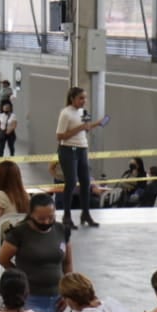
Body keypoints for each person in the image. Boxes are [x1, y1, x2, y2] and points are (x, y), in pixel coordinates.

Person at [0, 193, 71, 312]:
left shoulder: (62, 230)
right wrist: (20, 277)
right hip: (29, 298)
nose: (46, 222)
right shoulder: (19, 233)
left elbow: (67, 263)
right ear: (31, 214)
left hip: (56, 298)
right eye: (41, 219)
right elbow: (2, 259)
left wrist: (68, 292)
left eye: (50, 218)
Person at [55, 86, 106, 230]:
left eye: (85, 98)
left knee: (85, 182)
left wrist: (98, 123)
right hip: (68, 149)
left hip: (82, 148)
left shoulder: (84, 112)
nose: (84, 101)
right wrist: (80, 128)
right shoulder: (65, 113)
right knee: (71, 182)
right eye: (81, 98)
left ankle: (86, 213)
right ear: (72, 99)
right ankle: (66, 216)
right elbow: (59, 136)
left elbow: (87, 127)